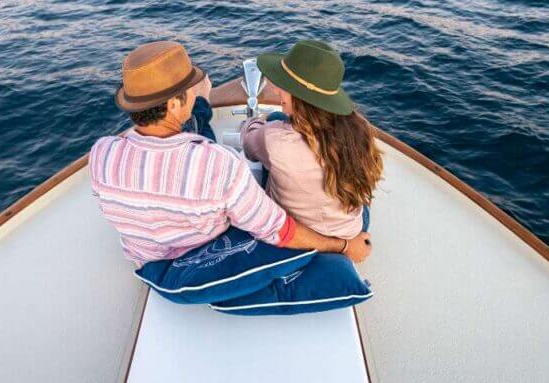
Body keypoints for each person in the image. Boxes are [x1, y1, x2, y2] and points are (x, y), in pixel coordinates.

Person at [88, 40, 372, 268]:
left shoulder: (100, 154)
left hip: (146, 257)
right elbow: (277, 229)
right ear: (174, 104)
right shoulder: (219, 164)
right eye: (191, 88)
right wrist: (345, 246)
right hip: (206, 248)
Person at [241, 40, 381, 239]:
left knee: (274, 120)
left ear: (297, 95)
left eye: (283, 86)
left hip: (302, 232)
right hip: (351, 229)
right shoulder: (360, 130)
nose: (275, 90)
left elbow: (248, 143)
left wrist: (256, 122)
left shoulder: (275, 140)